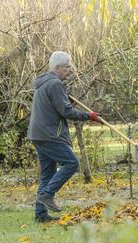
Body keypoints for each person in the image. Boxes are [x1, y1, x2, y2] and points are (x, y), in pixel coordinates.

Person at [27, 51, 99, 223]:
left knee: (47, 174)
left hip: (39, 134)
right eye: (68, 66)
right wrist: (89, 116)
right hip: (50, 134)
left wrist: (68, 102)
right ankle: (47, 194)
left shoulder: (44, 83)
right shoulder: (55, 84)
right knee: (72, 163)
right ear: (57, 68)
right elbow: (66, 112)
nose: (70, 70)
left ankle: (41, 215)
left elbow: (58, 106)